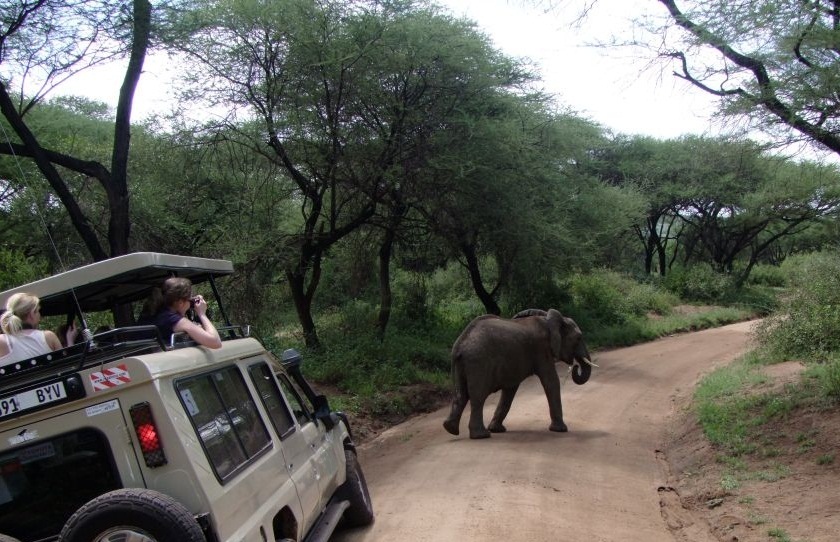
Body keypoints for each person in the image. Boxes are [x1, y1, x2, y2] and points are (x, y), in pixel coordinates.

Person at [142, 277, 222, 349]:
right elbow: (216, 343)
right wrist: (202, 314)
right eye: (190, 299)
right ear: (180, 302)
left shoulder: (158, 313)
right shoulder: (174, 319)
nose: (191, 302)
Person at [0, 292, 63, 364]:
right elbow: (66, 364)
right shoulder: (48, 337)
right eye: (38, 311)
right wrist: (70, 340)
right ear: (32, 314)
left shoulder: (2, 341)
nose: (40, 316)